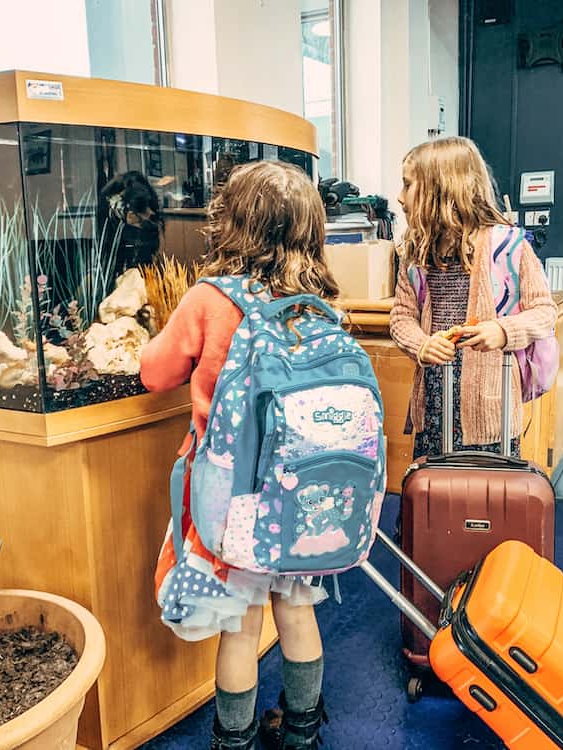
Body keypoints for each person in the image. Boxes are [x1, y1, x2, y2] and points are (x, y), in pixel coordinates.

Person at [140, 161, 340, 750]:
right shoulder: (318, 299)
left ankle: (235, 740)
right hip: (303, 485)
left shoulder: (210, 298)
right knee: (298, 610)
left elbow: (155, 372)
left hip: (231, 494)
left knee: (241, 624)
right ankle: (303, 732)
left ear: (231, 222)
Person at [390, 136, 557, 458]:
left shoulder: (508, 247)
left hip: (491, 408)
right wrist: (420, 344)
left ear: (442, 189)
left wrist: (503, 330)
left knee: (486, 499)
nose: (399, 197)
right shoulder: (415, 253)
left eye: (407, 185)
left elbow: (544, 312)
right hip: (434, 403)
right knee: (433, 495)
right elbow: (401, 317)